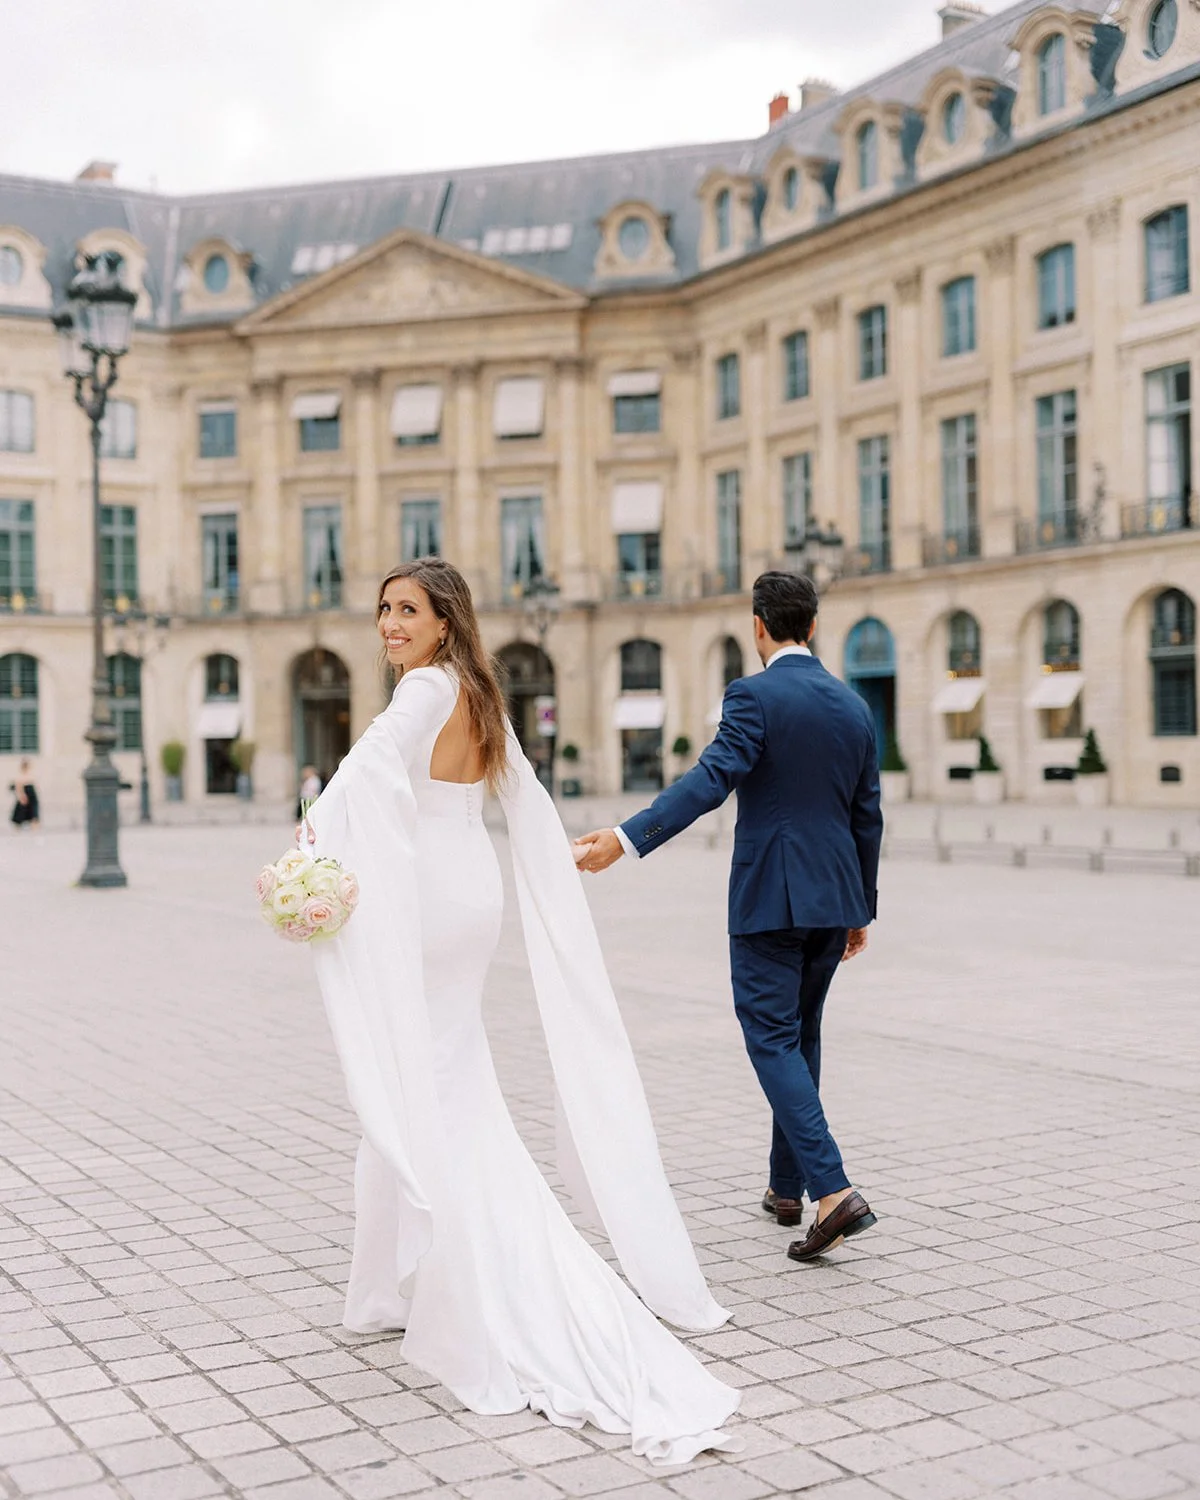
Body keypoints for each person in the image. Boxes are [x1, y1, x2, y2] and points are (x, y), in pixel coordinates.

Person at [300, 559, 739, 1464]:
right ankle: (382, 1286)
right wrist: (564, 869)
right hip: (472, 891)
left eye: (406, 610)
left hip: (426, 897)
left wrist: (308, 842)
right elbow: (528, 800)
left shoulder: (425, 691)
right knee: (438, 1076)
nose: (388, 624)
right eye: (383, 609)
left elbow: (367, 765)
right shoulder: (479, 692)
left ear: (444, 621)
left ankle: (431, 1282)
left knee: (418, 1082)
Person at [576, 571, 883, 1263]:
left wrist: (625, 840)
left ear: (758, 626)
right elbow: (868, 816)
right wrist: (860, 904)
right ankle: (786, 1188)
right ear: (813, 625)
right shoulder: (853, 706)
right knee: (800, 1034)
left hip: (770, 898)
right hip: (833, 900)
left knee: (770, 1037)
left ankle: (832, 1191)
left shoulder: (754, 694)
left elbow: (712, 779)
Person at [9, 760, 40, 829]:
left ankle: (34, 825)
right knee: (21, 811)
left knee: (33, 811)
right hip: (25, 794)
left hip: (32, 795)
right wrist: (21, 796)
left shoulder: (31, 774)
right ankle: (18, 825)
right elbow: (18, 787)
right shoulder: (20, 776)